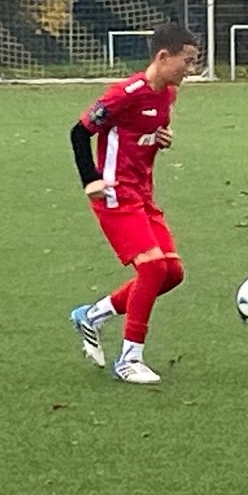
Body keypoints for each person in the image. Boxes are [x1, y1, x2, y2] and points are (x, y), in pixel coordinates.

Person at [68, 23, 200, 384]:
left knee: (172, 273)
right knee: (152, 269)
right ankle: (129, 358)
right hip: (115, 194)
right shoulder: (124, 94)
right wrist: (90, 180)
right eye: (187, 61)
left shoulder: (168, 95)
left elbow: (140, 134)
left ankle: (92, 316)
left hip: (143, 195)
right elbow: (79, 133)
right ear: (164, 57)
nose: (190, 70)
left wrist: (159, 138)